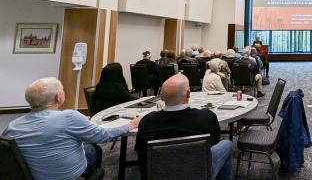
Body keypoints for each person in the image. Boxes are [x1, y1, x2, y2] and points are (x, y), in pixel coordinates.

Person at [2, 77, 142, 180]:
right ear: (58, 97)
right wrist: (131, 124)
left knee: (85, 143)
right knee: (93, 147)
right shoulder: (69, 117)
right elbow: (103, 136)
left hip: (31, 174)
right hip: (67, 176)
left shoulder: (12, 126)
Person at [135, 74, 233, 179]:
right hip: (198, 173)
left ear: (162, 96)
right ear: (188, 94)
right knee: (227, 144)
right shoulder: (206, 117)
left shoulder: (146, 122)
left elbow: (141, 153)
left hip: (159, 175)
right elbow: (214, 142)